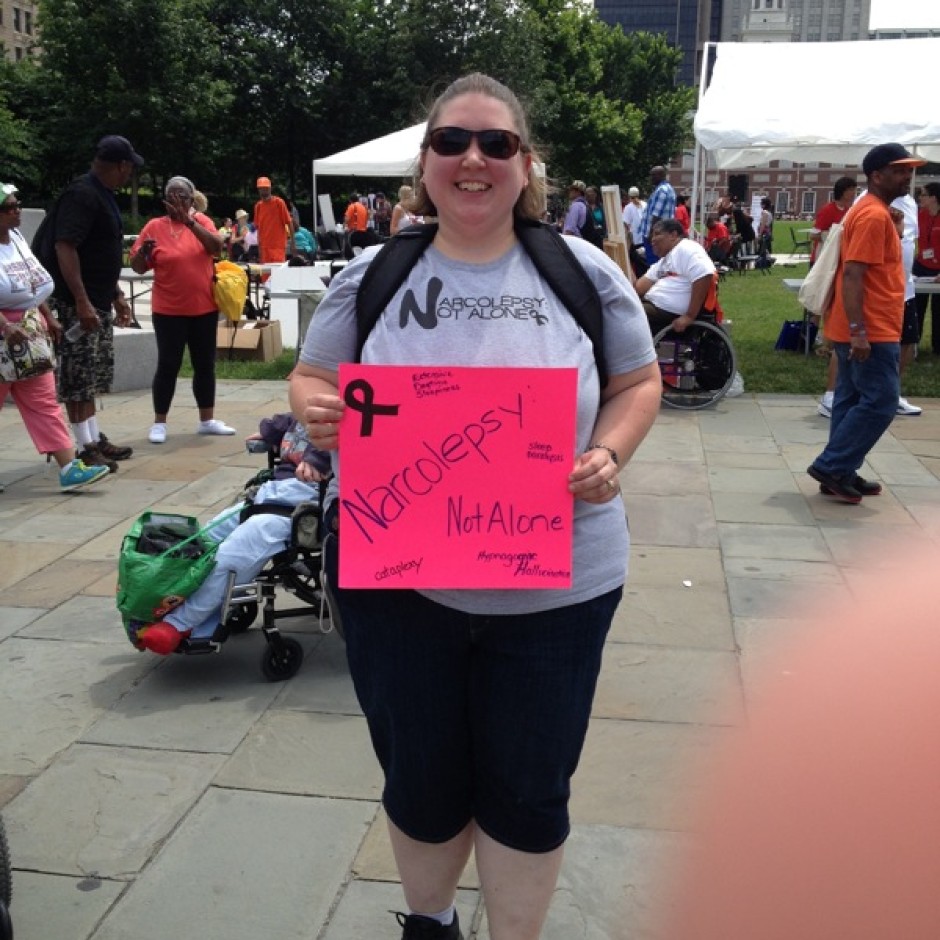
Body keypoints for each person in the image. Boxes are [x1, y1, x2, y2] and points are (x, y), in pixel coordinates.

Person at [290, 72, 661, 940]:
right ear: (424, 163)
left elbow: (637, 382)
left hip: (558, 589)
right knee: (419, 776)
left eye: (496, 143)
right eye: (452, 140)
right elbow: (314, 373)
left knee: (531, 787)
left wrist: (609, 451)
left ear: (526, 165)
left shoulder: (583, 273)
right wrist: (317, 408)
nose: (473, 158)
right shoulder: (373, 275)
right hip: (399, 584)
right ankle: (431, 923)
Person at [135, 413, 330, 654]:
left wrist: (320, 458)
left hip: (306, 505)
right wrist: (269, 431)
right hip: (271, 494)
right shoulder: (304, 409)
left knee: (234, 554)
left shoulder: (343, 417)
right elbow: (283, 420)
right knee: (205, 539)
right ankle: (175, 604)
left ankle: (179, 624)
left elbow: (348, 443)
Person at [806, 143, 925, 505]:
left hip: (860, 325)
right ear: (877, 175)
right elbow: (854, 276)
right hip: (870, 328)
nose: (907, 176)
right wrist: (860, 332)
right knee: (882, 401)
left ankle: (841, 470)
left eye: (909, 170)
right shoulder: (872, 215)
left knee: (851, 398)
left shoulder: (872, 211)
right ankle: (832, 464)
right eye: (899, 170)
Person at [0, 183, 110, 492]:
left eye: (17, 203)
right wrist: (6, 327)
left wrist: (47, 316)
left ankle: (69, 468)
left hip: (28, 333)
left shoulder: (17, 239)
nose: (17, 209)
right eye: (9, 207)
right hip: (5, 333)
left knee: (45, 400)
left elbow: (31, 282)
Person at [46, 134, 141, 473]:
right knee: (78, 376)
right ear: (121, 165)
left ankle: (92, 436)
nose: (130, 175)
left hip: (98, 297)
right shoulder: (83, 195)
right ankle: (84, 447)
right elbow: (65, 247)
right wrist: (82, 301)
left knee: (92, 376)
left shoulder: (102, 195)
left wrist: (115, 294)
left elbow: (99, 252)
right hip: (78, 303)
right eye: (130, 168)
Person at [130, 176, 235, 444]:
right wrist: (143, 253)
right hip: (168, 309)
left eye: (182, 196)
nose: (176, 201)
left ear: (191, 200)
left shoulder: (202, 222)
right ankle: (160, 422)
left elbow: (216, 248)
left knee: (204, 364)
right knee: (168, 364)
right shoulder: (154, 226)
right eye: (171, 196)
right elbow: (138, 267)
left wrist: (189, 221)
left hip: (203, 307)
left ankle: (207, 419)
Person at [812, 178, 858, 417]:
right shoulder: (829, 210)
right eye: (851, 190)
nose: (853, 194)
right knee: (826, 305)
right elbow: (816, 234)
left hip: (844, 265)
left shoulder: (853, 211)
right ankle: (819, 335)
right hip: (828, 262)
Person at [635, 219, 717, 336]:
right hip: (655, 306)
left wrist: (689, 316)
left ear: (673, 235)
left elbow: (704, 272)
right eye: (652, 235)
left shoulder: (686, 248)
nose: (652, 240)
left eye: (657, 234)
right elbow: (639, 287)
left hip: (667, 311)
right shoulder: (664, 260)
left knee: (624, 314)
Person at [913, 181, 940, 354]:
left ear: (933, 198)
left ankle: (937, 348)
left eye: (923, 194)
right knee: (916, 308)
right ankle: (912, 345)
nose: (920, 198)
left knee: (938, 311)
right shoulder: (919, 215)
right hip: (921, 266)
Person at [637, 165, 676, 264]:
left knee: (654, 264)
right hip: (662, 232)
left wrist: (652, 235)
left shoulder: (662, 190)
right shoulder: (669, 189)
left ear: (660, 175)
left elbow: (656, 215)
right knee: (660, 263)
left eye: (653, 175)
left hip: (655, 233)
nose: (651, 178)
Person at [253, 176, 293, 264]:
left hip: (277, 247)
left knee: (277, 274)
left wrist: (293, 245)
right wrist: (259, 248)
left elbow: (289, 222)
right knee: (265, 276)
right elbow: (259, 229)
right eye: (261, 189)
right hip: (264, 248)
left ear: (270, 189)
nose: (264, 191)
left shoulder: (279, 203)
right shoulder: (258, 206)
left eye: (266, 188)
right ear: (259, 190)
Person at [344, 192, 374, 257]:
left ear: (350, 200)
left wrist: (344, 226)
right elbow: (369, 217)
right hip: (363, 232)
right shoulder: (363, 207)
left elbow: (347, 218)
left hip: (354, 233)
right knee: (362, 252)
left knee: (351, 251)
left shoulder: (352, 206)